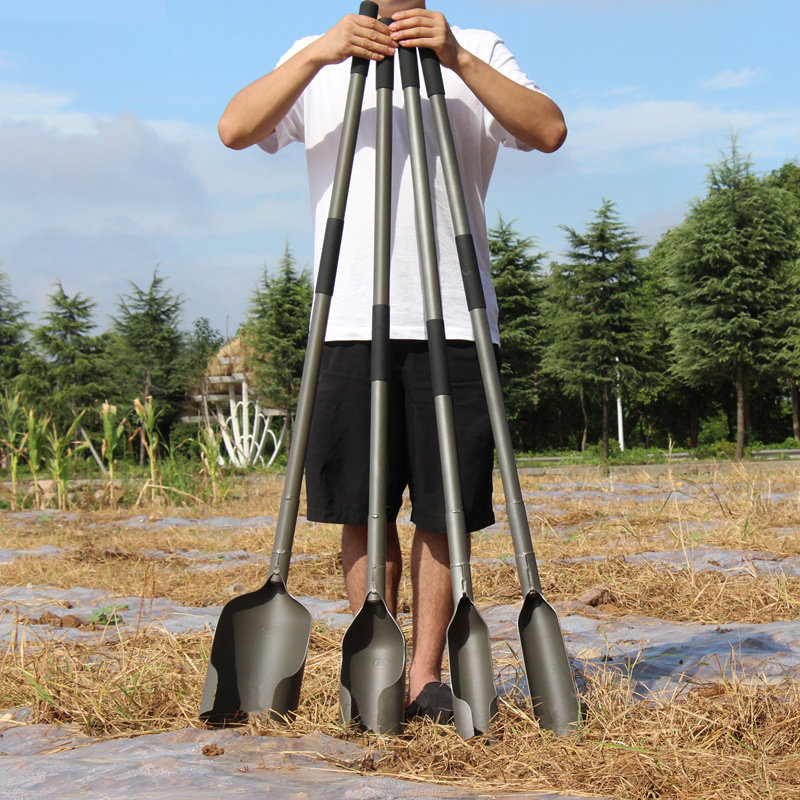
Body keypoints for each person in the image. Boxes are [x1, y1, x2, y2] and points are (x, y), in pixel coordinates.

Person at [218, 2, 566, 722]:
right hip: (347, 320)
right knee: (361, 509)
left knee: (445, 511)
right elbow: (234, 128)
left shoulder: (476, 46)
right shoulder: (314, 54)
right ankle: (370, 656)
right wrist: (321, 53)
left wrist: (457, 59)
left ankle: (426, 674)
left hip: (458, 320)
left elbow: (548, 130)